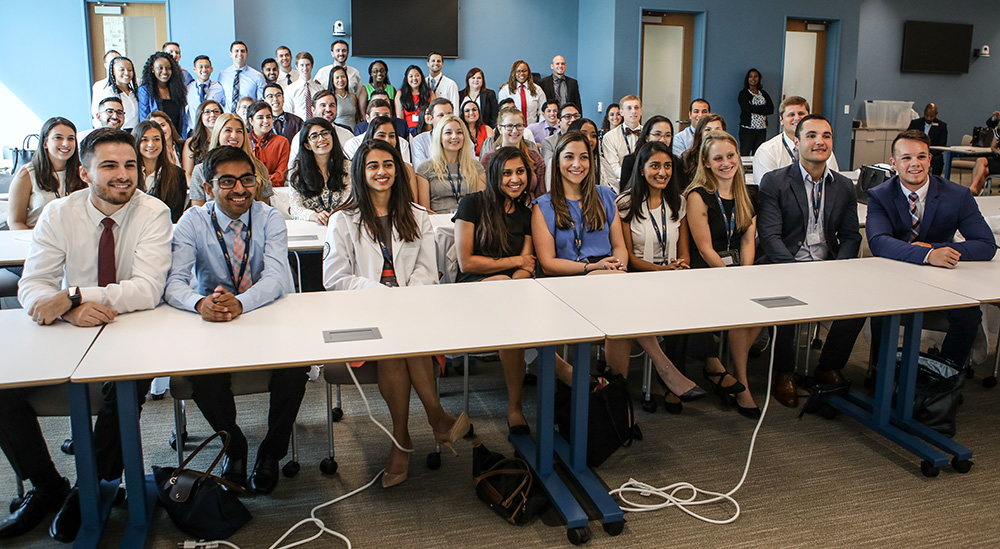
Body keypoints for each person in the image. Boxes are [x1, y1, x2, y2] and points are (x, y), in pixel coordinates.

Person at [2, 128, 171, 542]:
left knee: (126, 385)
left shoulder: (153, 212)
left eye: (130, 165)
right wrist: (67, 311)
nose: (123, 175)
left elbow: (147, 290)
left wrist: (75, 295)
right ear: (83, 172)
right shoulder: (60, 214)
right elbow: (33, 287)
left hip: (130, 330)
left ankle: (90, 485)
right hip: (67, 331)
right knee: (2, 390)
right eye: (109, 165)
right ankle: (47, 486)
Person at [323, 139, 472, 488]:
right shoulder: (343, 221)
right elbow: (335, 279)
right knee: (393, 346)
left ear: (398, 170)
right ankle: (435, 418)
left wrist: (402, 301)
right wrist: (383, 296)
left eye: (388, 165)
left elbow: (426, 272)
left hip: (411, 313)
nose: (381, 172)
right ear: (360, 171)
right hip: (363, 317)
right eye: (373, 165)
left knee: (399, 341)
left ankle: (402, 441)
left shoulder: (418, 216)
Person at [164, 145, 301, 495]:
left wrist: (241, 303)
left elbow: (275, 278)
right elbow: (174, 283)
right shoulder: (193, 221)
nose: (239, 189)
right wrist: (198, 304)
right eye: (227, 181)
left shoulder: (269, 218)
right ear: (209, 188)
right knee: (203, 377)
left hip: (263, 312)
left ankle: (271, 453)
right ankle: (234, 448)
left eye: (246, 180)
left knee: (295, 369)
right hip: (213, 319)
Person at [532, 132, 706, 403]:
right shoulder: (543, 205)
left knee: (619, 314)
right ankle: (663, 370)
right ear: (557, 163)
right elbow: (548, 263)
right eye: (569, 157)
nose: (577, 164)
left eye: (584, 157)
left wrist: (618, 267)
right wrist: (593, 269)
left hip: (610, 280)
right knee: (621, 307)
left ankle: (616, 400)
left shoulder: (604, 195)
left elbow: (620, 246)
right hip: (567, 284)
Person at [756, 115, 862, 407]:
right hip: (783, 263)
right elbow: (769, 236)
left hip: (827, 266)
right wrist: (796, 272)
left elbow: (852, 236)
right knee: (786, 301)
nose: (820, 142)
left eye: (826, 136)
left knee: (860, 304)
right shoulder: (775, 181)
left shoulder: (843, 186)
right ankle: (784, 372)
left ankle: (827, 366)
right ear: (797, 143)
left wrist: (837, 269)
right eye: (812, 135)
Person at [865, 130, 996, 367]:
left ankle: (945, 374)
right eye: (906, 158)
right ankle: (880, 372)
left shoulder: (958, 195)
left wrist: (936, 249)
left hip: (943, 279)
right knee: (881, 314)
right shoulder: (879, 195)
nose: (915, 163)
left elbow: (986, 245)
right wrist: (926, 255)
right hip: (896, 273)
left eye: (921, 157)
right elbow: (878, 241)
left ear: (929, 160)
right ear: (894, 163)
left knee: (969, 316)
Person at [452, 146, 535, 432]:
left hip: (510, 296)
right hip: (472, 291)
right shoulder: (471, 204)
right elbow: (466, 262)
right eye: (507, 173)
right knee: (505, 289)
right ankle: (557, 366)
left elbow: (529, 265)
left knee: (512, 321)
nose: (515, 179)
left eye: (520, 172)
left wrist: (515, 280)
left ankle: (515, 407)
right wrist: (513, 266)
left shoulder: (526, 213)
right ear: (494, 175)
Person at [683, 130, 760, 418]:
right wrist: (731, 279)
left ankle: (728, 366)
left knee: (765, 307)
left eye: (731, 156)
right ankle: (741, 379)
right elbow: (704, 248)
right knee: (742, 312)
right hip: (707, 270)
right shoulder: (698, 196)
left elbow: (748, 240)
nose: (726, 162)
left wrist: (745, 274)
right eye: (718, 158)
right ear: (706, 163)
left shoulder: (747, 194)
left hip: (738, 268)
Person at [616, 141, 694, 413]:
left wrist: (680, 265)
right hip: (639, 277)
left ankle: (672, 379)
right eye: (655, 166)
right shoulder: (625, 204)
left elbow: (684, 251)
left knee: (686, 311)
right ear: (641, 170)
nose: (662, 172)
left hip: (672, 276)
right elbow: (629, 258)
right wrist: (662, 271)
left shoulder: (679, 202)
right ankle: (671, 378)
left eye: (668, 166)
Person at [6, 118, 86, 231]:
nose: (65, 143)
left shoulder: (83, 172)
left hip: (75, 239)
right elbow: (16, 222)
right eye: (58, 138)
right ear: (45, 143)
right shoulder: (27, 174)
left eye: (71, 139)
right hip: (38, 240)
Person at [188, 113, 273, 207]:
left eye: (239, 131)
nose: (234, 135)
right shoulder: (200, 170)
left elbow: (264, 209)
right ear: (218, 134)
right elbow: (198, 211)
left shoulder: (258, 167)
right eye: (228, 130)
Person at [753, 96, 840, 185]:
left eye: (801, 113)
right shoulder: (767, 151)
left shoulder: (821, 150)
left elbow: (833, 184)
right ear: (781, 120)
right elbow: (767, 189)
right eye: (791, 115)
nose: (797, 118)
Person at [415, 114, 486, 213]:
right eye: (448, 133)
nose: (454, 136)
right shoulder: (425, 168)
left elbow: (481, 205)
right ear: (440, 137)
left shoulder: (477, 167)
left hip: (469, 223)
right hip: (437, 224)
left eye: (459, 132)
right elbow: (424, 210)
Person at [287, 118, 352, 224]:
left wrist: (334, 216)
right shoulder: (297, 169)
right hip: (311, 226)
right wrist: (314, 216)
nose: (321, 139)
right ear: (307, 145)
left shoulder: (347, 166)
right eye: (314, 136)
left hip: (340, 224)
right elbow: (295, 208)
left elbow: (347, 202)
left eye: (325, 133)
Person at [480, 107, 546, 201]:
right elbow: (486, 194)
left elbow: (541, 194)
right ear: (500, 129)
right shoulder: (488, 158)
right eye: (509, 126)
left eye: (519, 126)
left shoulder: (534, 156)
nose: (515, 131)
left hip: (530, 210)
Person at [133, 120, 188, 222]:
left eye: (156, 139)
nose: (151, 144)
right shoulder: (127, 173)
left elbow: (176, 214)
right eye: (144, 140)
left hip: (163, 231)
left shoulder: (177, 174)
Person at [137, 52, 189, 138]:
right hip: (157, 139)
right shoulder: (145, 90)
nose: (164, 72)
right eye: (160, 68)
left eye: (168, 68)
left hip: (177, 139)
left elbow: (183, 119)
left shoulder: (177, 89)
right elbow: (144, 118)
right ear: (152, 69)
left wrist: (182, 140)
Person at [617, 115, 675, 191]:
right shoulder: (631, 161)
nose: (663, 140)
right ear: (647, 137)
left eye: (667, 135)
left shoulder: (676, 161)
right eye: (657, 134)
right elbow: (625, 191)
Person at [347, 99, 411, 162]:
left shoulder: (402, 143)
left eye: (386, 115)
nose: (381, 119)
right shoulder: (353, 144)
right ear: (367, 118)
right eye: (376, 115)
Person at [601, 95, 644, 184]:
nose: (633, 111)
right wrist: (636, 176)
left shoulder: (649, 133)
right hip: (622, 184)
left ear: (641, 111)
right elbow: (613, 167)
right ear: (622, 112)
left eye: (636, 108)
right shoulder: (610, 137)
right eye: (629, 108)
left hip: (646, 182)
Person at [247, 101, 291, 187]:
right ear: (251, 121)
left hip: (273, 190)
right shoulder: (244, 140)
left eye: (269, 117)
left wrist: (260, 183)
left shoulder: (282, 142)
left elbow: (282, 173)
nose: (266, 121)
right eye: (260, 117)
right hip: (247, 188)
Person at [91, 56, 138, 130]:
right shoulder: (107, 93)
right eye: (121, 70)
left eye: (129, 70)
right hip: (118, 133)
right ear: (113, 71)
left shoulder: (135, 92)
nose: (126, 73)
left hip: (136, 133)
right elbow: (99, 119)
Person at [219, 41, 267, 113]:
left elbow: (261, 101)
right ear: (230, 54)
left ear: (247, 54)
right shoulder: (223, 74)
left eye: (242, 51)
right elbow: (221, 99)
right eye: (236, 51)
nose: (240, 53)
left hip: (248, 118)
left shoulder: (257, 76)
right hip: (228, 117)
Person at [182, 100, 222, 180]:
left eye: (216, 111)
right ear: (200, 116)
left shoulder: (226, 141)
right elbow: (188, 174)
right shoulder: (192, 143)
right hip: (198, 188)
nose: (212, 115)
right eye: (207, 112)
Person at [737, 68, 774, 156]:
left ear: (759, 78)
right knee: (745, 152)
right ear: (747, 78)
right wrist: (762, 108)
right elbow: (746, 108)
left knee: (758, 153)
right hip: (747, 129)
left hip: (761, 129)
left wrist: (753, 107)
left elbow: (770, 109)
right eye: (751, 76)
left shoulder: (763, 93)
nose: (753, 79)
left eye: (756, 76)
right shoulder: (744, 94)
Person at [409, 97, 453, 169]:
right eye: (441, 115)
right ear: (430, 119)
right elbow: (421, 171)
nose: (446, 119)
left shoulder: (461, 139)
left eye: (449, 114)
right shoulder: (419, 141)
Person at [681, 113, 726, 181]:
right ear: (700, 134)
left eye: (717, 130)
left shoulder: (731, 156)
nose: (713, 134)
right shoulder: (687, 157)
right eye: (708, 130)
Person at [907, 103, 948, 175]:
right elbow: (907, 137)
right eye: (927, 115)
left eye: (931, 116)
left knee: (938, 159)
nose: (929, 118)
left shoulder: (941, 126)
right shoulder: (915, 123)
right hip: (916, 150)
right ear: (924, 112)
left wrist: (930, 153)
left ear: (936, 114)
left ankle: (936, 180)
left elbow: (942, 144)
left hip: (933, 153)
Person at [185, 55, 225, 129]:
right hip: (194, 131)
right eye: (200, 67)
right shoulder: (189, 88)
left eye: (207, 67)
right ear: (194, 69)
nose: (204, 70)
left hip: (212, 130)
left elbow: (226, 106)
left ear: (211, 69)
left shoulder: (218, 88)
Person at [396, 65, 435, 137]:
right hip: (407, 132)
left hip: (426, 131)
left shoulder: (429, 93)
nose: (414, 78)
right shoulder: (400, 93)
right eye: (411, 76)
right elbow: (400, 118)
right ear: (407, 78)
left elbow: (433, 114)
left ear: (421, 77)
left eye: (417, 75)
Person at [283, 52, 323, 120]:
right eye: (302, 65)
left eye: (307, 65)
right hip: (298, 127)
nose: (305, 68)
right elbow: (288, 113)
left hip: (317, 126)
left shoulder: (320, 89)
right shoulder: (290, 90)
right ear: (296, 66)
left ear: (312, 66)